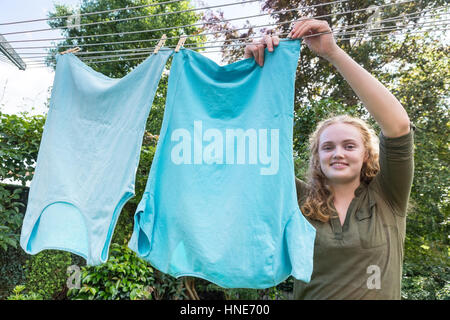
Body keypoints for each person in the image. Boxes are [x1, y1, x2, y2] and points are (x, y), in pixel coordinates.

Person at [244, 18, 415, 299]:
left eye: (349, 146)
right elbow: (248, 151)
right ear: (316, 157)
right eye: (327, 147)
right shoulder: (298, 197)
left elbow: (398, 127)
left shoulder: (388, 196)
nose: (337, 153)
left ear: (367, 154)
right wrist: (255, 73)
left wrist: (332, 52)